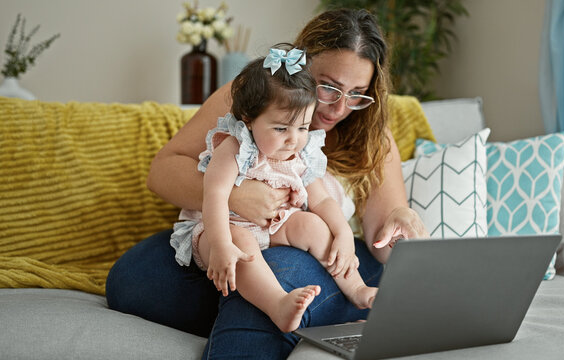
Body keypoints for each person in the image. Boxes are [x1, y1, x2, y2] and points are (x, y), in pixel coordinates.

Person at [106, 8, 427, 358]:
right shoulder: (250, 98)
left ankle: (269, 306)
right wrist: (236, 196)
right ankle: (253, 299)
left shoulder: (372, 137)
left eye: (357, 94)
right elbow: (163, 172)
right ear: (300, 67)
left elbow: (377, 235)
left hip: (327, 259)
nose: (338, 109)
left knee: (275, 278)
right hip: (232, 234)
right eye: (329, 88)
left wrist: (400, 218)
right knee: (133, 278)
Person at [170, 46, 378, 333]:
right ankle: (277, 303)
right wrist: (220, 245)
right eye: (281, 129)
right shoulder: (234, 148)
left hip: (272, 227)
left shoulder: (302, 154)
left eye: (303, 128)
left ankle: (355, 288)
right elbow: (215, 196)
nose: (294, 140)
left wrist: (343, 234)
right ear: (249, 119)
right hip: (219, 229)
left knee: (312, 224)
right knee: (240, 239)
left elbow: (321, 200)